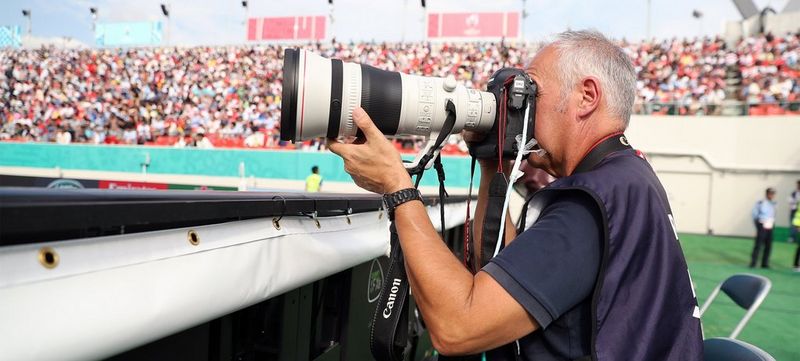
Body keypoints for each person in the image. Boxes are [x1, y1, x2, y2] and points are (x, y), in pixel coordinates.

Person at [328, 30, 702, 360]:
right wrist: (496, 161)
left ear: (587, 96)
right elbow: (498, 278)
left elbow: (458, 327)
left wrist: (398, 188)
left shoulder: (592, 202)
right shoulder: (625, 178)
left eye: (531, 90)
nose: (522, 107)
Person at [751, 187, 777, 268]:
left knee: (768, 245)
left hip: (770, 225)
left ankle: (764, 263)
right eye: (770, 193)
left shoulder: (774, 203)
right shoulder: (761, 203)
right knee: (758, 244)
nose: (771, 195)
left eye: (773, 194)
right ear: (766, 194)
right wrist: (757, 226)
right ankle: (753, 263)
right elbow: (754, 214)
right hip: (762, 224)